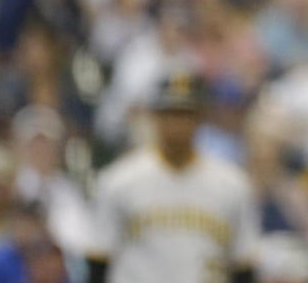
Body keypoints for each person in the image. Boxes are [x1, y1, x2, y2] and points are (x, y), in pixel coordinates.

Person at [86, 72, 258, 283]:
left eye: (186, 114)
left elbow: (244, 266)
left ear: (200, 117)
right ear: (155, 116)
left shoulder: (232, 184)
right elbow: (99, 262)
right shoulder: (119, 180)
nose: (177, 123)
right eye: (170, 113)